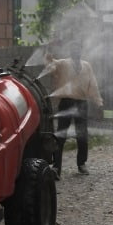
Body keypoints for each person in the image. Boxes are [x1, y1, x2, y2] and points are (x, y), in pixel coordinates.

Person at [46, 41, 103, 177]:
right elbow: (50, 65)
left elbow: (93, 85)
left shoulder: (87, 66)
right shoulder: (63, 64)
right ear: (70, 51)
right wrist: (48, 51)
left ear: (81, 51)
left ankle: (81, 164)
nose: (76, 51)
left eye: (78, 49)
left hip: (82, 104)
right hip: (66, 102)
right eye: (73, 49)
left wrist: (99, 103)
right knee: (61, 136)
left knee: (82, 135)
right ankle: (56, 168)